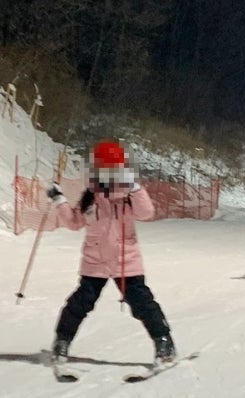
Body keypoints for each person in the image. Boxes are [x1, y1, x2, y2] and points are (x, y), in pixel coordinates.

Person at [46, 139, 176, 365]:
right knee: (79, 304)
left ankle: (163, 342)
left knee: (143, 303)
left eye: (110, 170)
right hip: (95, 262)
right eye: (99, 169)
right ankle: (62, 341)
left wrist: (134, 187)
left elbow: (146, 213)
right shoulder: (90, 197)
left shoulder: (127, 195)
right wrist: (59, 200)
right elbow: (75, 223)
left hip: (126, 262)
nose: (103, 175)